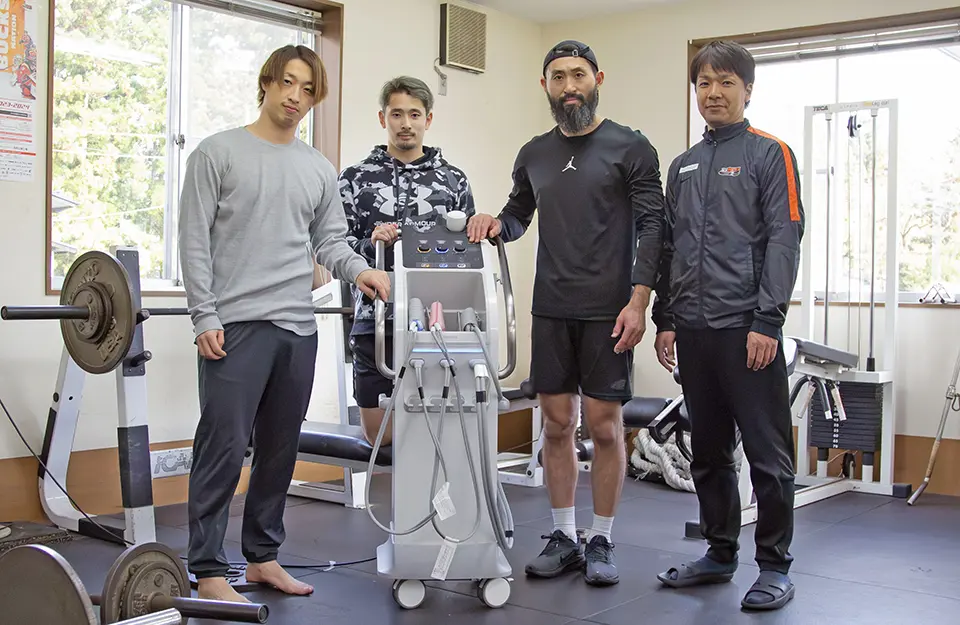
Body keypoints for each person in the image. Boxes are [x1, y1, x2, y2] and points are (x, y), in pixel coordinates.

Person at [178, 45, 391, 604]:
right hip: (236, 325)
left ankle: (262, 559)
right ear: (267, 83)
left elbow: (329, 243)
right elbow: (193, 241)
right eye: (288, 83)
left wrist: (362, 270)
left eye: (308, 90)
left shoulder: (317, 168)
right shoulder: (216, 153)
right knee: (223, 447)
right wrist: (204, 313)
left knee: (279, 449)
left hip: (297, 329)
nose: (296, 97)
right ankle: (206, 568)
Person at [467, 40, 665, 586]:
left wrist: (639, 301)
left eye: (578, 75)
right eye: (558, 77)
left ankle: (600, 537)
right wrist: (492, 224)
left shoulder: (631, 147)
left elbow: (654, 228)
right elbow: (516, 215)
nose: (569, 86)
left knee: (604, 427)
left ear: (598, 78)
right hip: (552, 306)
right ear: (545, 85)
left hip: (610, 310)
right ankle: (564, 535)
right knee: (556, 425)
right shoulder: (534, 152)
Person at [651, 40, 804, 611]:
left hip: (748, 330)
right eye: (703, 84)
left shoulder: (771, 154)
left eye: (725, 82)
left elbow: (784, 241)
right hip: (692, 329)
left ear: (747, 89)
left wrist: (769, 318)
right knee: (708, 450)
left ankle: (775, 566)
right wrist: (665, 317)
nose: (713, 93)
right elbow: (670, 247)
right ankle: (719, 552)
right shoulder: (684, 165)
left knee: (767, 454)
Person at [339, 76, 476, 445]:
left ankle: (435, 504)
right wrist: (371, 243)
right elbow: (334, 246)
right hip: (375, 321)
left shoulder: (453, 182)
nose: (405, 123)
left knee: (440, 433)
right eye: (396, 113)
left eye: (414, 114)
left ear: (428, 120)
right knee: (379, 437)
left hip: (440, 324)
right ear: (383, 118)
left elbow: (469, 254)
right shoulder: (354, 180)